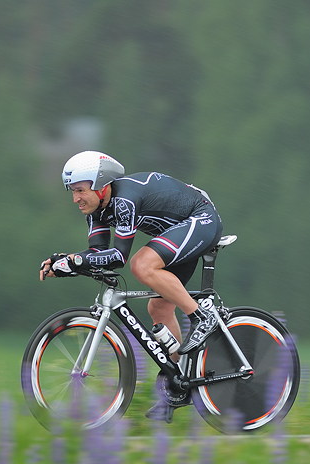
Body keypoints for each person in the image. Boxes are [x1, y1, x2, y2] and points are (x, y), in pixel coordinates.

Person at [39, 150, 223, 419]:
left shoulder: (124, 201)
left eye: (80, 190)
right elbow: (98, 253)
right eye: (72, 191)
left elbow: (118, 258)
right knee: (158, 309)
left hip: (200, 219)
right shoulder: (96, 210)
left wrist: (74, 262)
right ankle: (179, 382)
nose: (75, 198)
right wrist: (66, 264)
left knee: (141, 264)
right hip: (177, 230)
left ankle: (202, 317)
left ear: (101, 186)